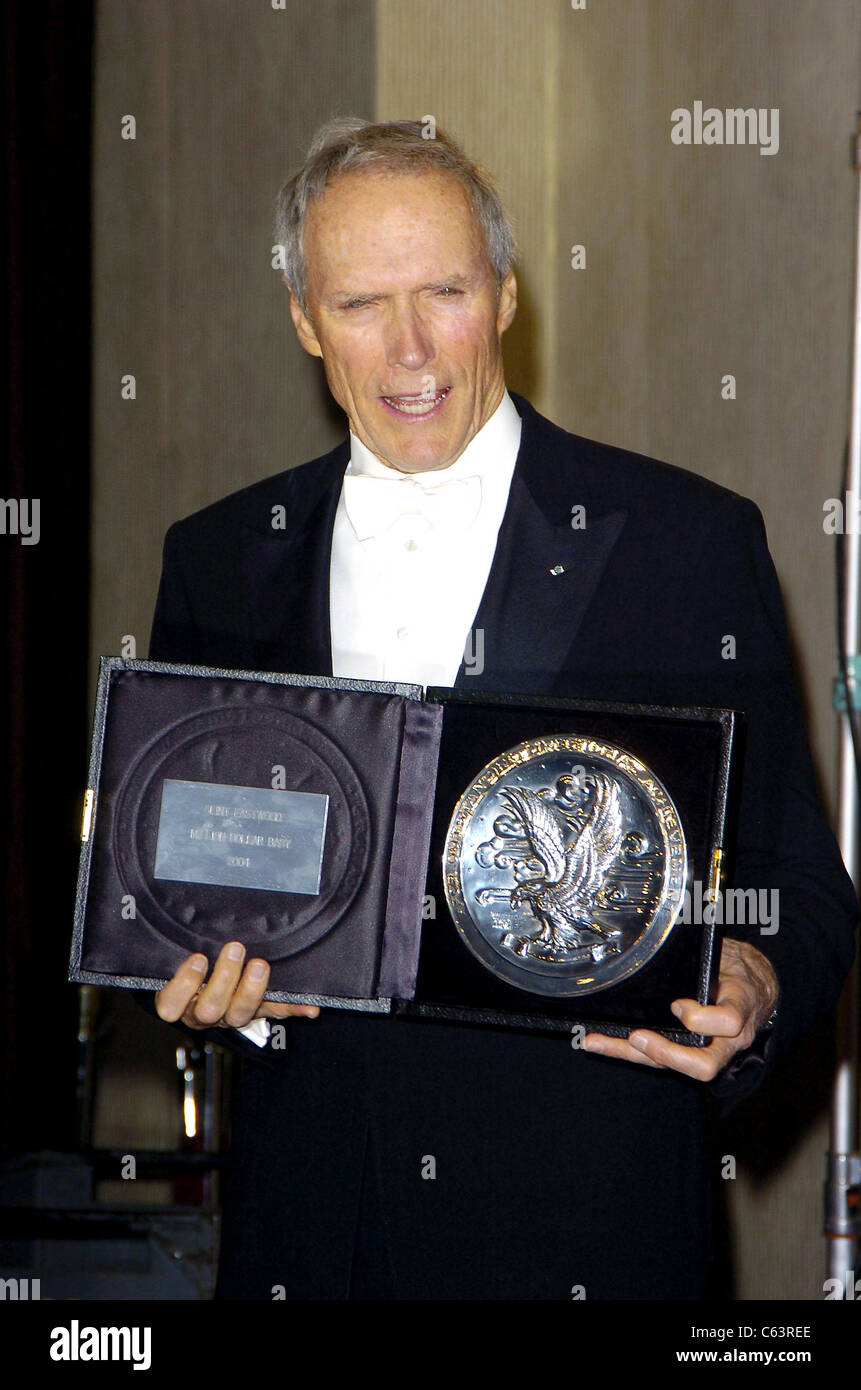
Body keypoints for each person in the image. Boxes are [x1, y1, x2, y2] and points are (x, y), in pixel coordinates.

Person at [147, 118, 856, 1299]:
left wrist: (759, 980)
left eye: (445, 291)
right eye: (362, 303)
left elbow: (803, 886)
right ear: (305, 321)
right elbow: (185, 876)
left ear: (509, 296)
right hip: (318, 1231)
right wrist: (203, 979)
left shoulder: (686, 543)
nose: (412, 347)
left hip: (593, 1223)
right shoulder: (220, 558)